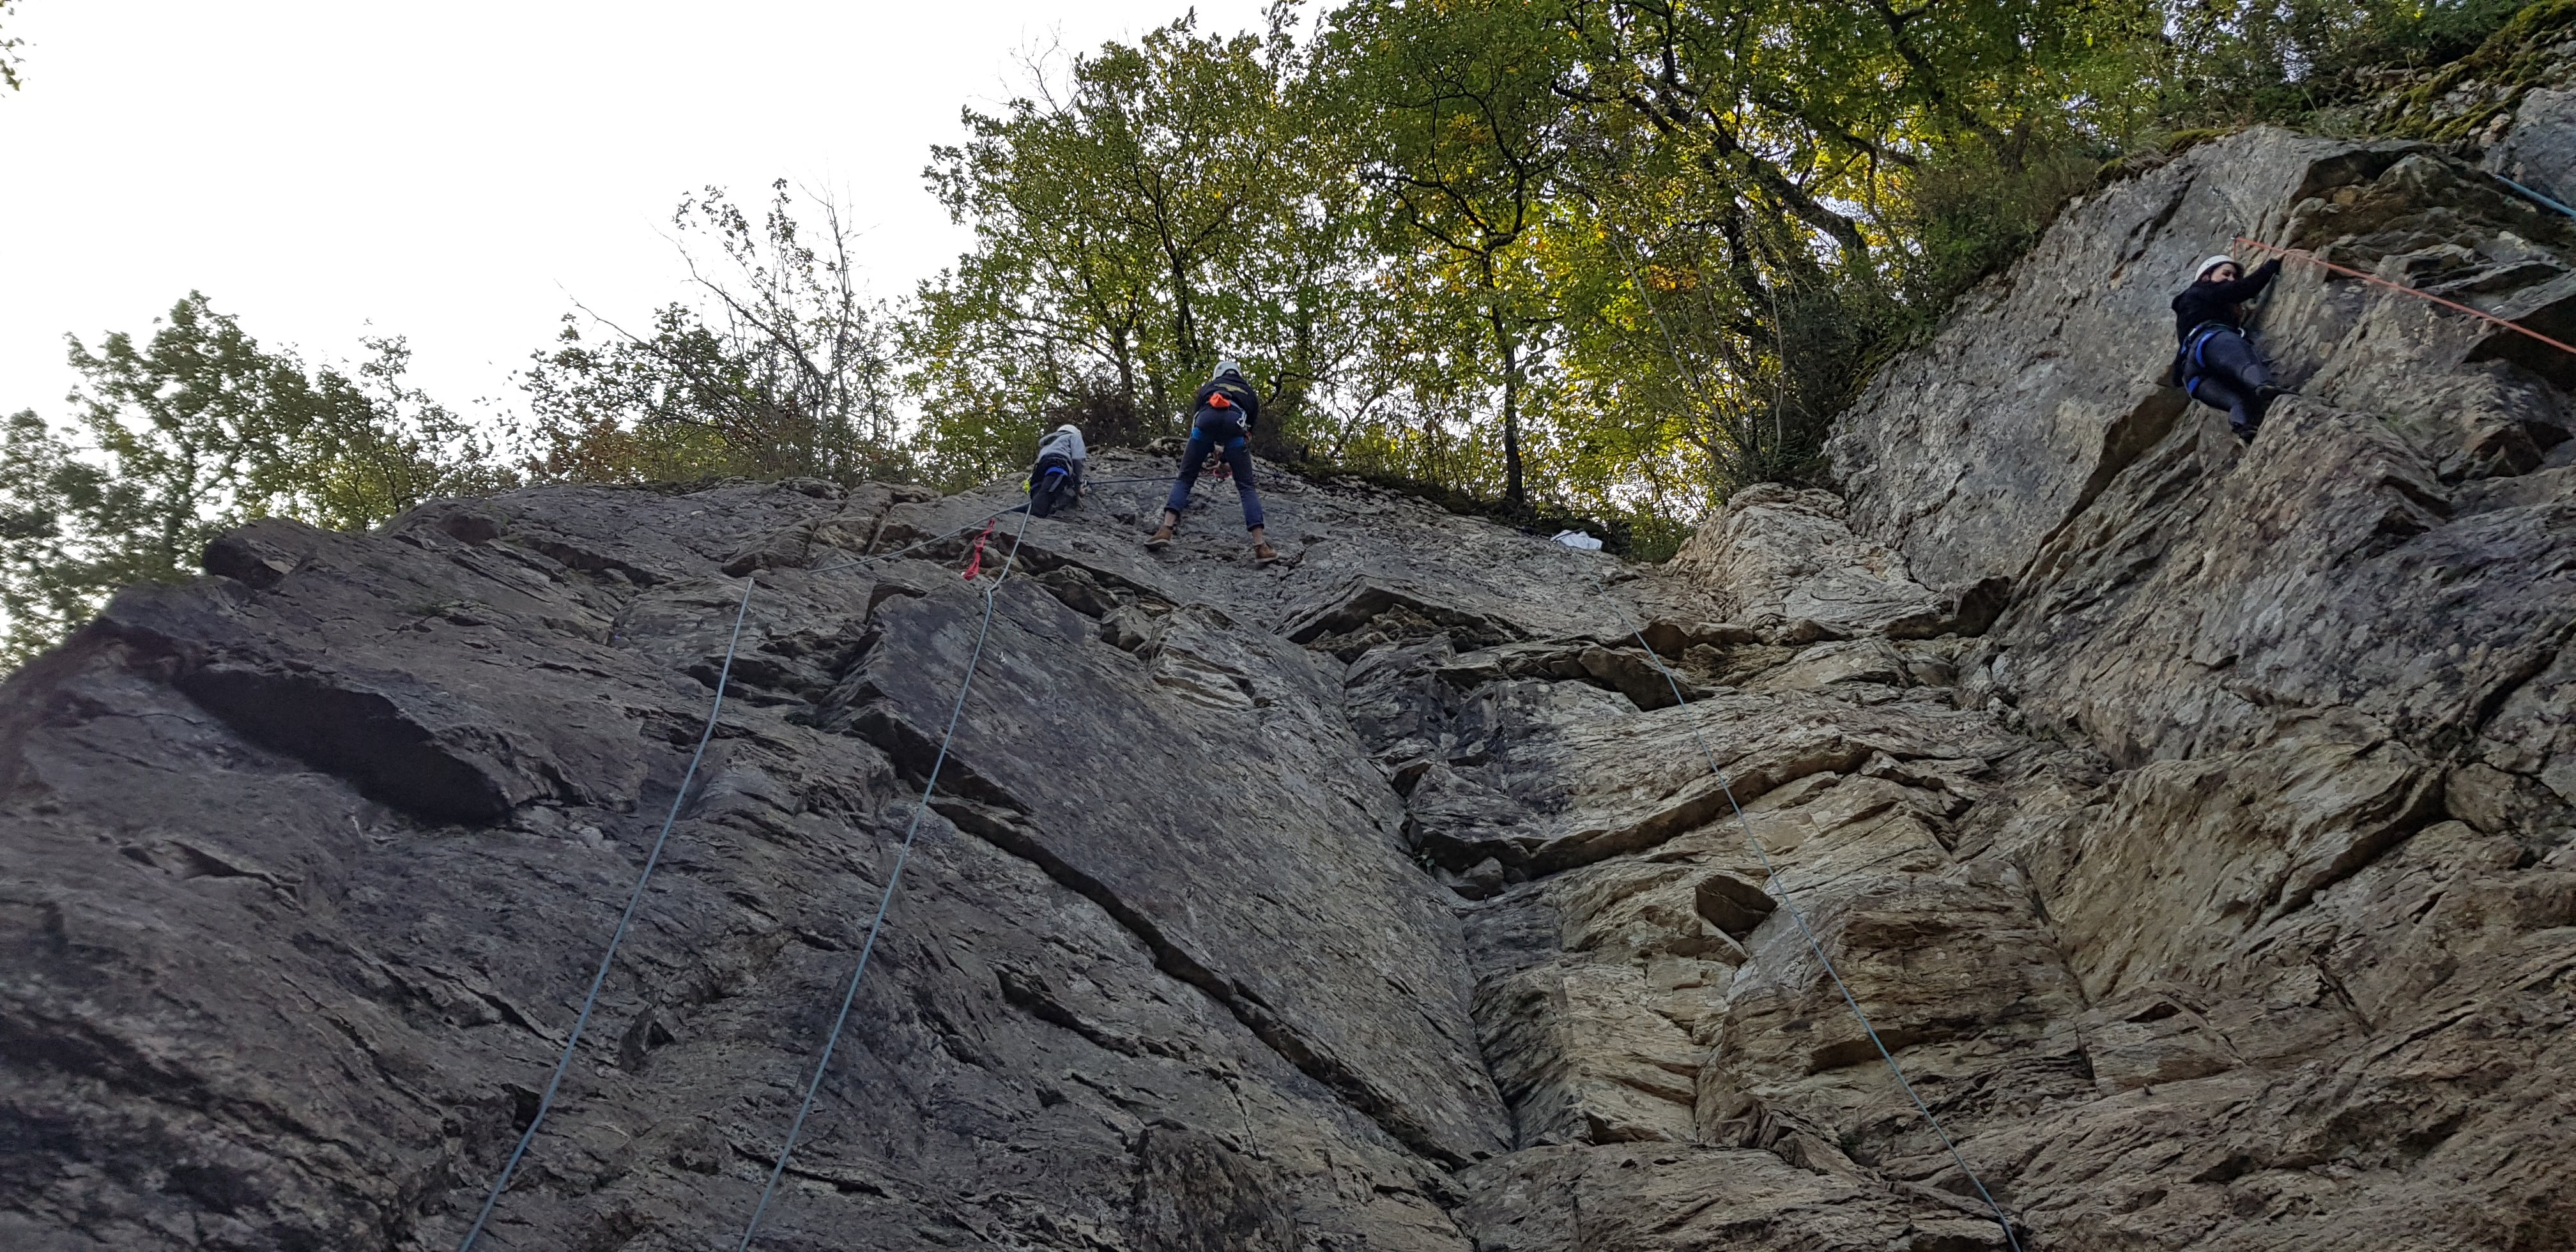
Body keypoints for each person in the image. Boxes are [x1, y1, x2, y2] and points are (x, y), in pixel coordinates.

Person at [1148, 360, 1277, 562]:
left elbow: (1198, 424)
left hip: (1205, 421)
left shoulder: (1209, 387)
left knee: (1185, 479)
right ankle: (1261, 546)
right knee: (1246, 487)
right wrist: (1227, 459)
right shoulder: (1249, 393)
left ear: (1219, 374)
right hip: (1236, 424)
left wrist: (1210, 450)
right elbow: (1247, 432)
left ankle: (1165, 529)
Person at [2172, 252, 2287, 440]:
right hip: (2212, 341)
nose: (2231, 279)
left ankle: (2243, 426)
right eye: (2226, 274)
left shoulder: (2192, 304)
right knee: (2245, 363)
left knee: (2237, 401)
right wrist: (2271, 265)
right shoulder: (2200, 290)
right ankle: (2265, 385)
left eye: (2234, 276)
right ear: (2206, 277)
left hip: (2193, 375)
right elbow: (2242, 289)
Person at [1027, 424, 1086, 518]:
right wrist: (1078, 487)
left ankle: (1033, 511)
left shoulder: (1050, 441)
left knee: (1039, 494)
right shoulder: (1074, 437)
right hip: (1058, 465)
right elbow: (1078, 459)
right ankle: (1036, 517)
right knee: (1047, 493)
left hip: (1041, 467)